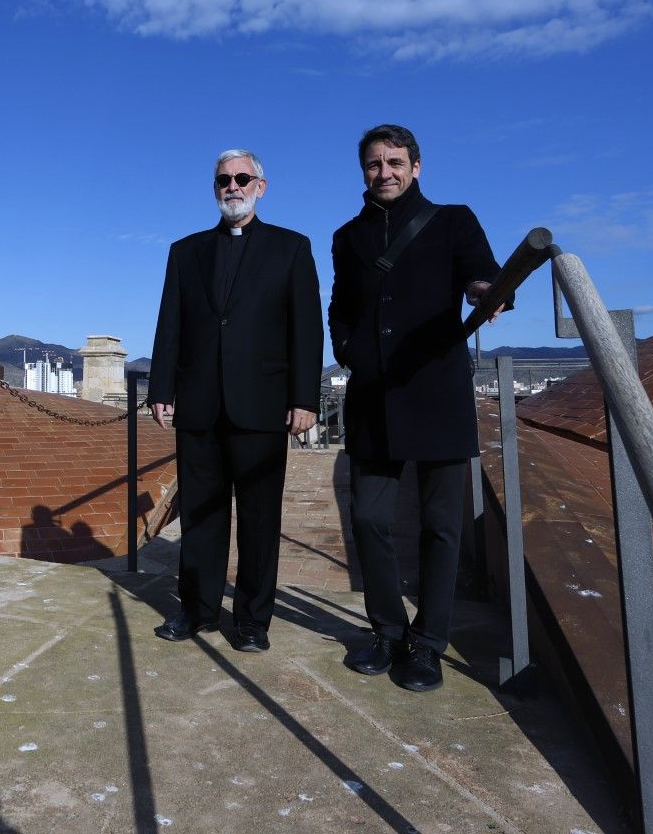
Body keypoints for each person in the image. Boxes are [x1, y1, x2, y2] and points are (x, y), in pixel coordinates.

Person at [328, 124, 505, 691]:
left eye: (395, 162)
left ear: (417, 166)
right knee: (369, 518)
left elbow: (483, 274)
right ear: (364, 171)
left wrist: (487, 292)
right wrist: (348, 350)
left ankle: (427, 644)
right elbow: (340, 306)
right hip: (373, 396)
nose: (385, 172)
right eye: (375, 164)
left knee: (440, 527)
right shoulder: (347, 235)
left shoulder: (454, 219)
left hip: (437, 393)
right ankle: (386, 631)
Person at [148, 149, 323, 653]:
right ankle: (196, 610)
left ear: (260, 186)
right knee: (201, 514)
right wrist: (162, 387)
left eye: (243, 178)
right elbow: (170, 325)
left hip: (264, 404)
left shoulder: (292, 248)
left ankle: (252, 621)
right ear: (214, 188)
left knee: (259, 517)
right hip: (200, 404)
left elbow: (306, 331)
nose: (233, 186)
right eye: (224, 179)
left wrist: (304, 398)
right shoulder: (186, 251)